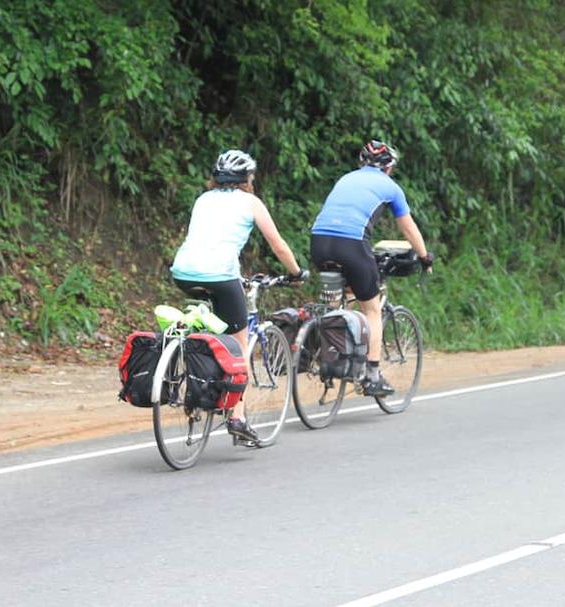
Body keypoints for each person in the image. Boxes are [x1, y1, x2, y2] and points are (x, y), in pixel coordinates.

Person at [170, 149, 305, 443]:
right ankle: (238, 417)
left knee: (209, 326)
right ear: (246, 178)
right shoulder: (250, 202)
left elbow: (209, 240)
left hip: (182, 273)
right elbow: (279, 246)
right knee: (239, 341)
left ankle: (199, 378)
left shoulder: (203, 199)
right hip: (220, 276)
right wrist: (295, 273)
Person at [310, 140, 434, 397]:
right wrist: (424, 257)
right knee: (372, 309)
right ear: (389, 168)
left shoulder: (345, 179)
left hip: (319, 242)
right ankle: (372, 376)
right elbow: (408, 227)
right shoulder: (391, 187)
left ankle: (328, 356)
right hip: (351, 245)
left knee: (338, 300)